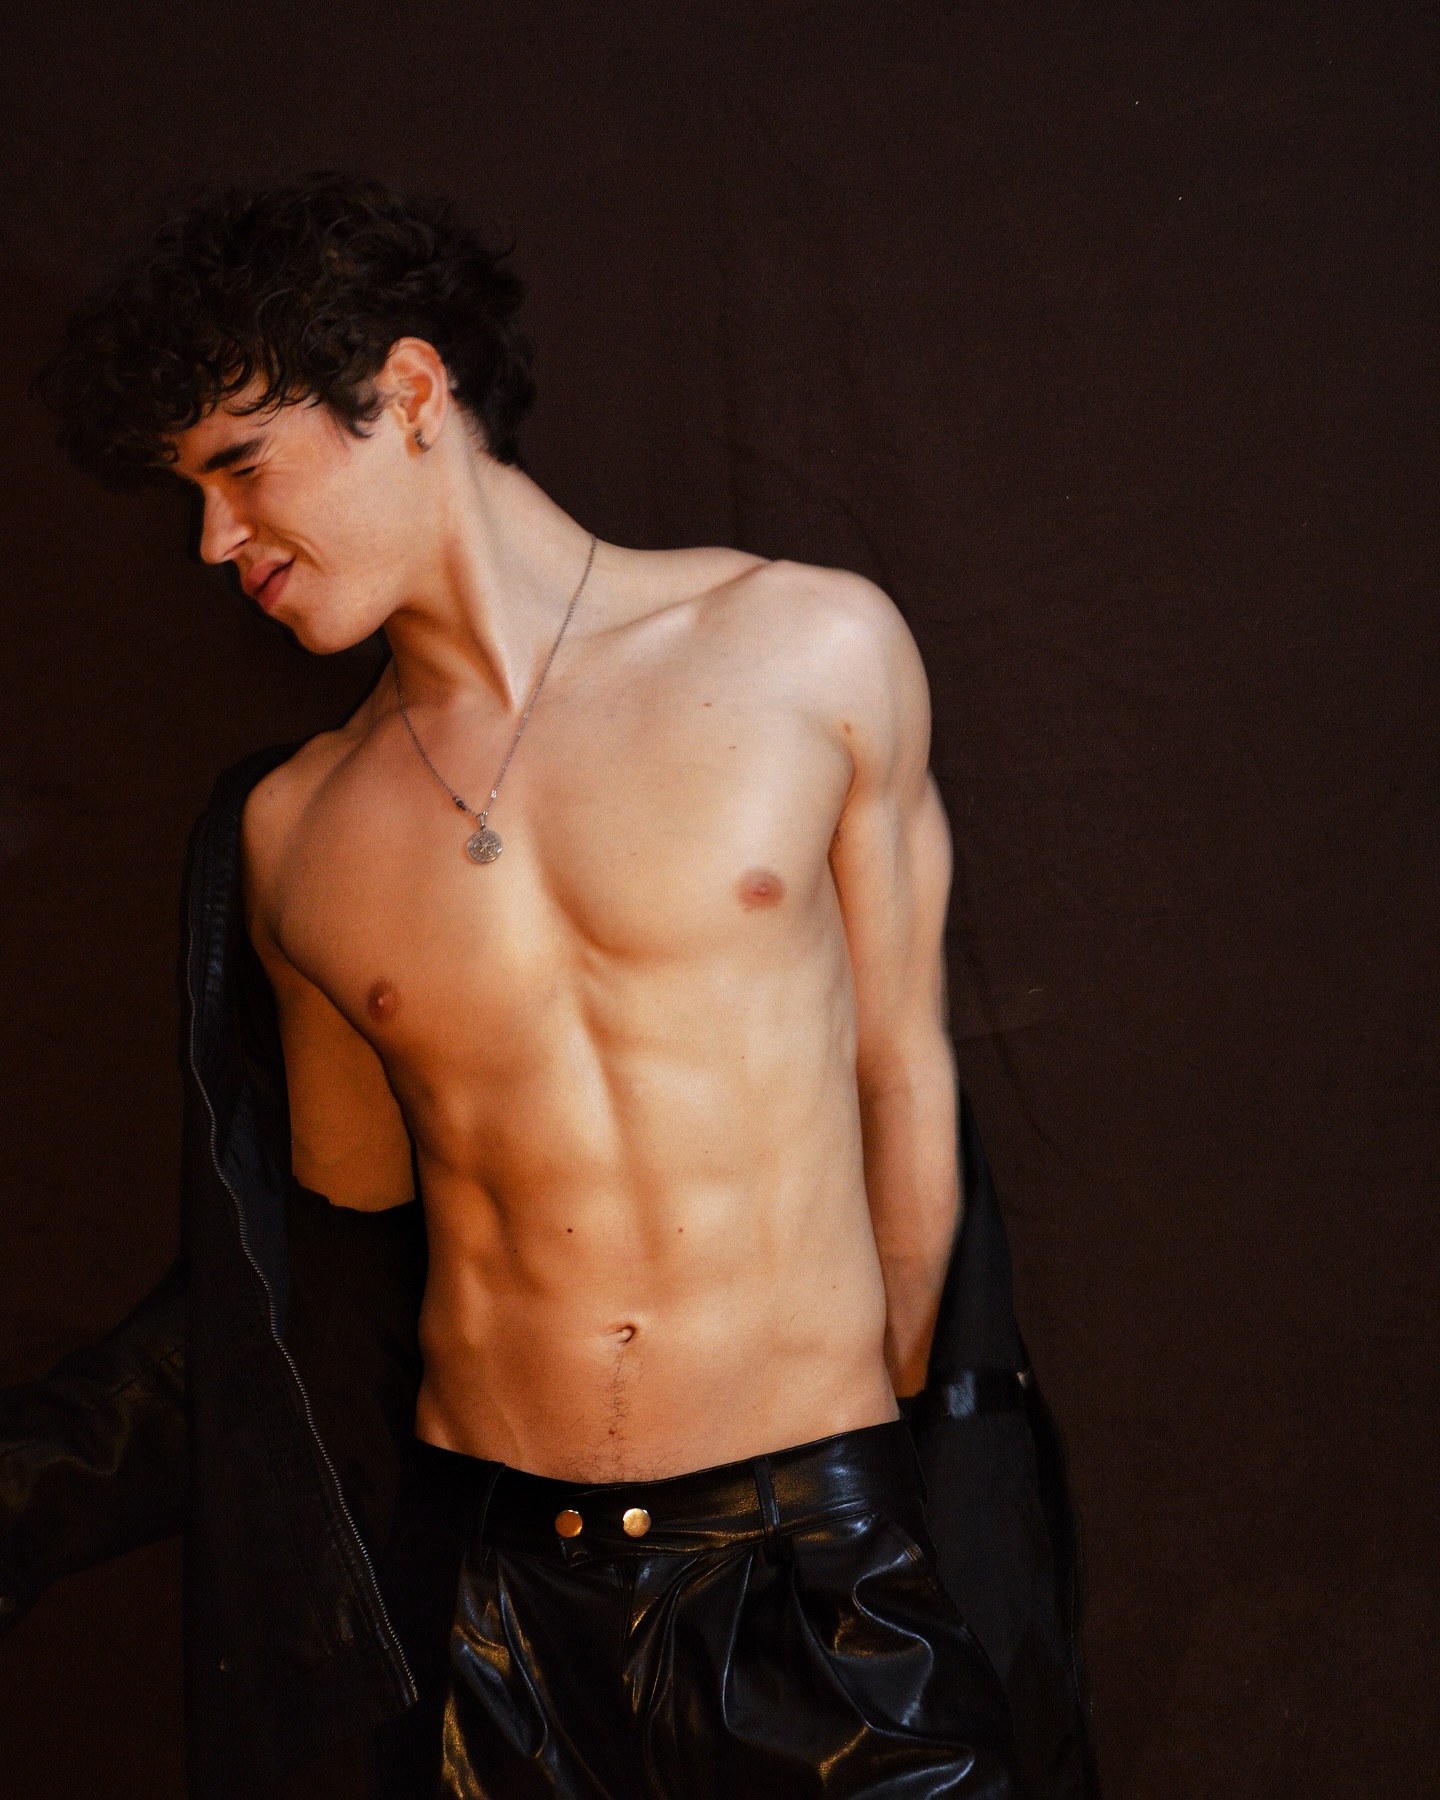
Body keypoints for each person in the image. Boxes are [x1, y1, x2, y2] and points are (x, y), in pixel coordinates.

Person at [1, 175, 1095, 1799]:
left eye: (240, 466)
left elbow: (905, 1097)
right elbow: (319, 1294)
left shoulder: (810, 649)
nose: (214, 539)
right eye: (192, 494)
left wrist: (880, 1510)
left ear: (409, 391)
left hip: (822, 1578)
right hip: (498, 1622)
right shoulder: (297, 830)